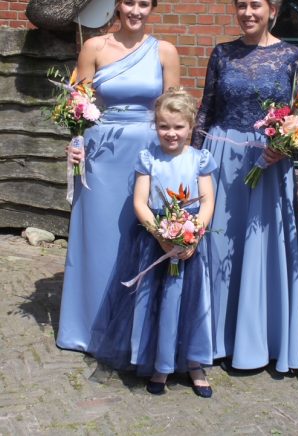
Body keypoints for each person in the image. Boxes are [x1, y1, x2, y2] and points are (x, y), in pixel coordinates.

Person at [192, 0, 298, 373]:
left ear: (272, 9)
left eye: (255, 5)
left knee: (262, 249)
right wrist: (192, 161)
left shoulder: (293, 56)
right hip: (222, 159)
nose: (247, 13)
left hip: (270, 164)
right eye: (241, 5)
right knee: (219, 246)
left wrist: (287, 146)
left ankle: (262, 340)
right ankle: (215, 338)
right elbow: (206, 109)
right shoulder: (222, 53)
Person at [56, 0, 180, 352]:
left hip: (147, 156)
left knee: (140, 235)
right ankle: (87, 327)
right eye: (129, 2)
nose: (135, 11)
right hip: (101, 156)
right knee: (98, 236)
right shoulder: (94, 47)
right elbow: (78, 108)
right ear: (118, 4)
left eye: (143, 4)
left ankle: (134, 331)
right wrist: (75, 143)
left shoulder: (165, 52)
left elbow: (174, 111)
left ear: (152, 8)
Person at [87, 90, 216, 397]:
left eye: (178, 127)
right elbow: (140, 202)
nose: (171, 133)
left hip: (189, 243)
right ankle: (159, 363)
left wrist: (192, 235)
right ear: (155, 126)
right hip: (154, 242)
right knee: (154, 301)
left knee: (189, 302)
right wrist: (161, 235)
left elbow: (208, 201)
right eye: (163, 126)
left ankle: (194, 363)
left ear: (190, 126)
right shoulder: (148, 158)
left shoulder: (200, 159)